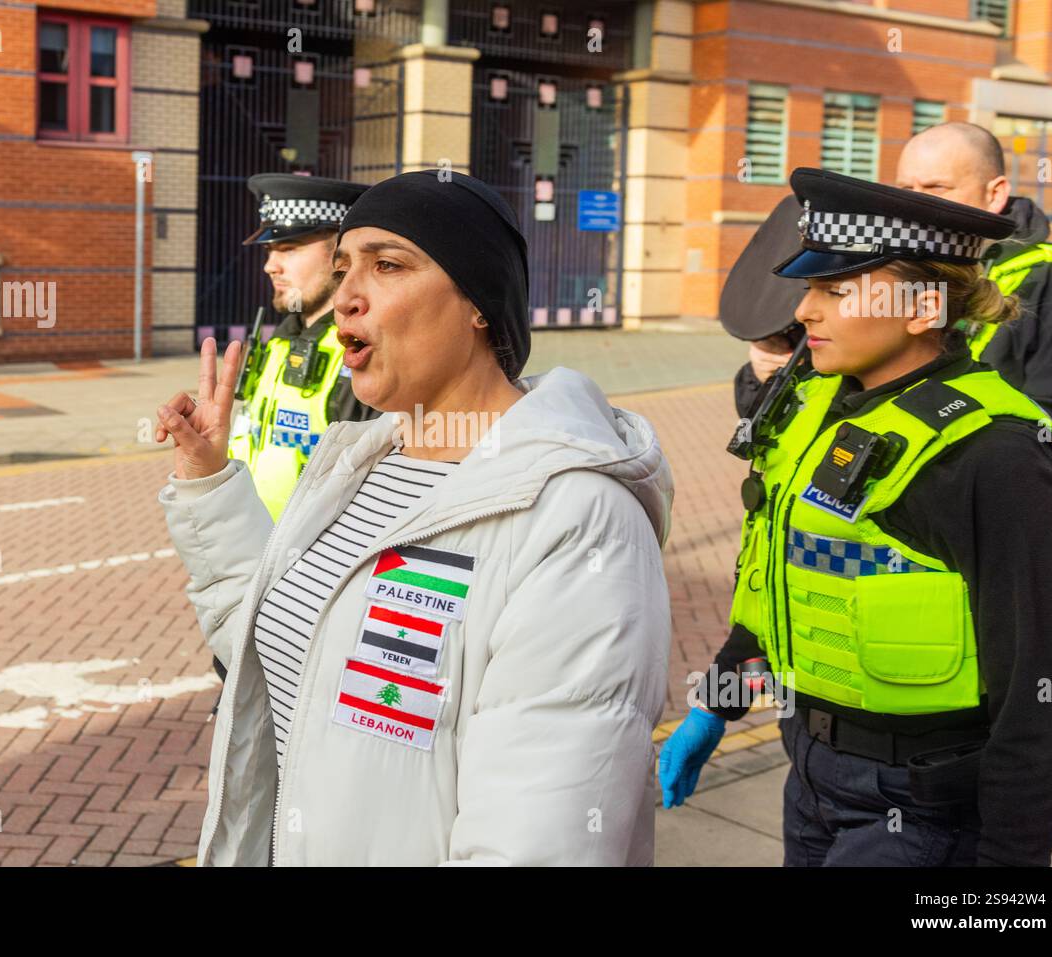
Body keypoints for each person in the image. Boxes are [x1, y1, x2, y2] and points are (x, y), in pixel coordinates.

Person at [155, 170, 674, 865]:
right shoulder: (356, 464)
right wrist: (210, 479)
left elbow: (535, 843)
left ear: (480, 304)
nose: (346, 297)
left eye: (388, 265)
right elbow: (279, 643)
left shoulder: (576, 518)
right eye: (341, 270)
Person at [661, 168, 1052, 866]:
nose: (804, 312)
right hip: (810, 776)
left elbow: (1033, 705)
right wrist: (718, 700)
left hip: (925, 810)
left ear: (924, 307)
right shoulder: (816, 411)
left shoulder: (998, 453)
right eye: (808, 288)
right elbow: (779, 579)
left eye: (834, 290)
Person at [735, 124, 1052, 528]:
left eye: (936, 188)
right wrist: (763, 373)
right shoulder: (871, 271)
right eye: (906, 187)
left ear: (994, 193)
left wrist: (943, 464)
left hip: (986, 518)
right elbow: (798, 408)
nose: (915, 203)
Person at [228, 173, 379, 521]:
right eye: (269, 250)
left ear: (341, 256)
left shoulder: (364, 352)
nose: (270, 265)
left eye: (289, 248)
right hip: (255, 550)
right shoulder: (280, 339)